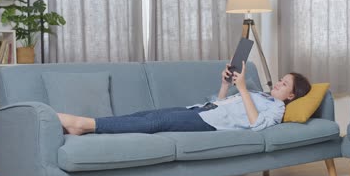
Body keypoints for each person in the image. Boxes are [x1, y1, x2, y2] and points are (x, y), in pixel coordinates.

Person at [58, 62, 311, 135]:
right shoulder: (260, 94)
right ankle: (90, 125)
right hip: (204, 109)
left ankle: (83, 124)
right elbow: (220, 101)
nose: (278, 82)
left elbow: (257, 125)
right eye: (281, 79)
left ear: (291, 95)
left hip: (211, 123)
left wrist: (243, 88)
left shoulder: (277, 109)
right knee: (147, 115)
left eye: (284, 83)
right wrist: (226, 84)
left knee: (156, 124)